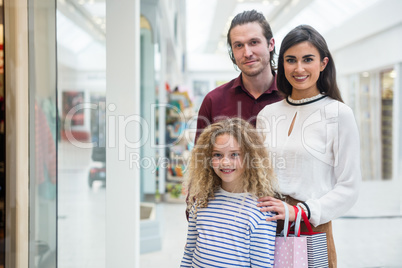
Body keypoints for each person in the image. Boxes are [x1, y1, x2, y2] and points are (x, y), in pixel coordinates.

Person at [256, 25, 361, 267]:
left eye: (308, 59)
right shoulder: (267, 114)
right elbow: (256, 174)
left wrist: (301, 211)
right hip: (264, 224)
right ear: (281, 64)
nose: (299, 68)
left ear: (323, 63)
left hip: (311, 225)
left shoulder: (339, 114)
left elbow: (349, 187)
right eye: (290, 60)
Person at [181, 118, 279, 267]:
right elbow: (189, 254)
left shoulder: (261, 211)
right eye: (217, 155)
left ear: (250, 158)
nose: (225, 162)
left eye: (234, 154)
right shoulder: (201, 203)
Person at [194, 9, 282, 142]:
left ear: (271, 44)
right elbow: (200, 159)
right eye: (239, 45)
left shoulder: (293, 96)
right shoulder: (214, 101)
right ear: (232, 52)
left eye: (254, 42)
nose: (247, 53)